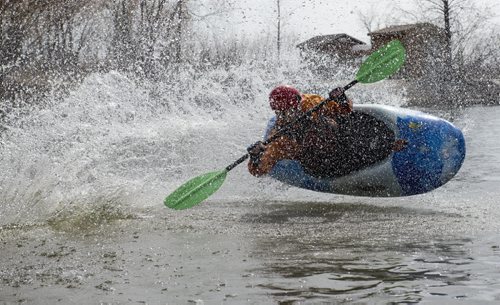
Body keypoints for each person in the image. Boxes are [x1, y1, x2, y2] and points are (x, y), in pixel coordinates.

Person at [247, 85, 407, 178]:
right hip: (323, 165)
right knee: (332, 144)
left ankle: (384, 143)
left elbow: (344, 110)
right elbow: (259, 171)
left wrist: (341, 98)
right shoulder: (280, 138)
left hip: (338, 139)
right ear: (282, 112)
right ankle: (385, 148)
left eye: (299, 103)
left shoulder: (309, 103)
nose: (300, 107)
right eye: (292, 109)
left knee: (345, 124)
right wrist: (255, 157)